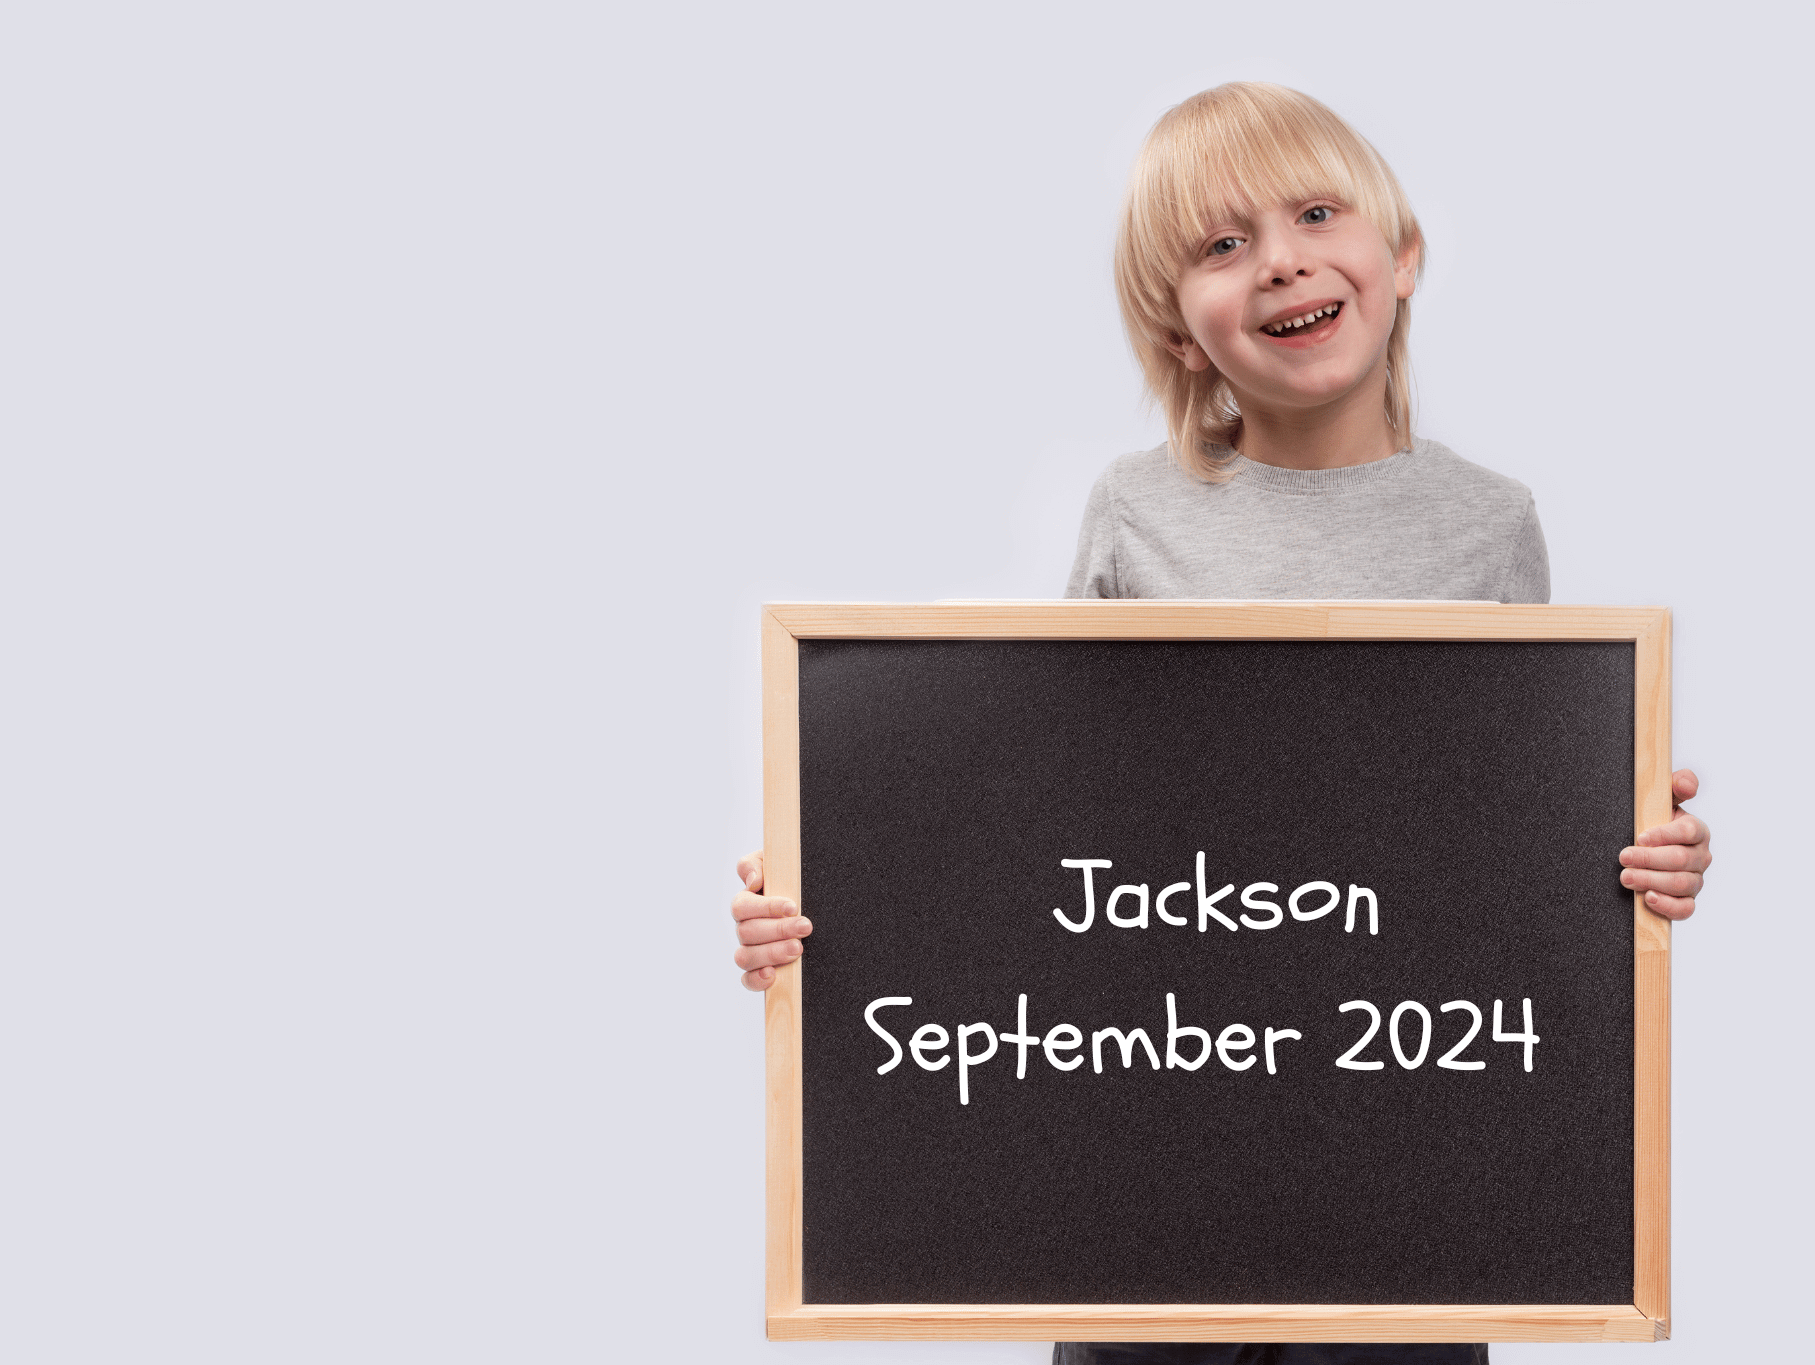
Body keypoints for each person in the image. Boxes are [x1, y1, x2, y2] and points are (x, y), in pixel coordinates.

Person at [726, 82, 1712, 1365]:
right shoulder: (1137, 513)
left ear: (1401, 255)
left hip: (1398, 1147)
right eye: (1220, 245)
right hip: (1146, 1136)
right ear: (1179, 333)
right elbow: (1038, 807)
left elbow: (1509, 825)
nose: (1281, 260)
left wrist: (1636, 863)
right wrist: (836, 890)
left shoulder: (1488, 524)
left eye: (1314, 212)